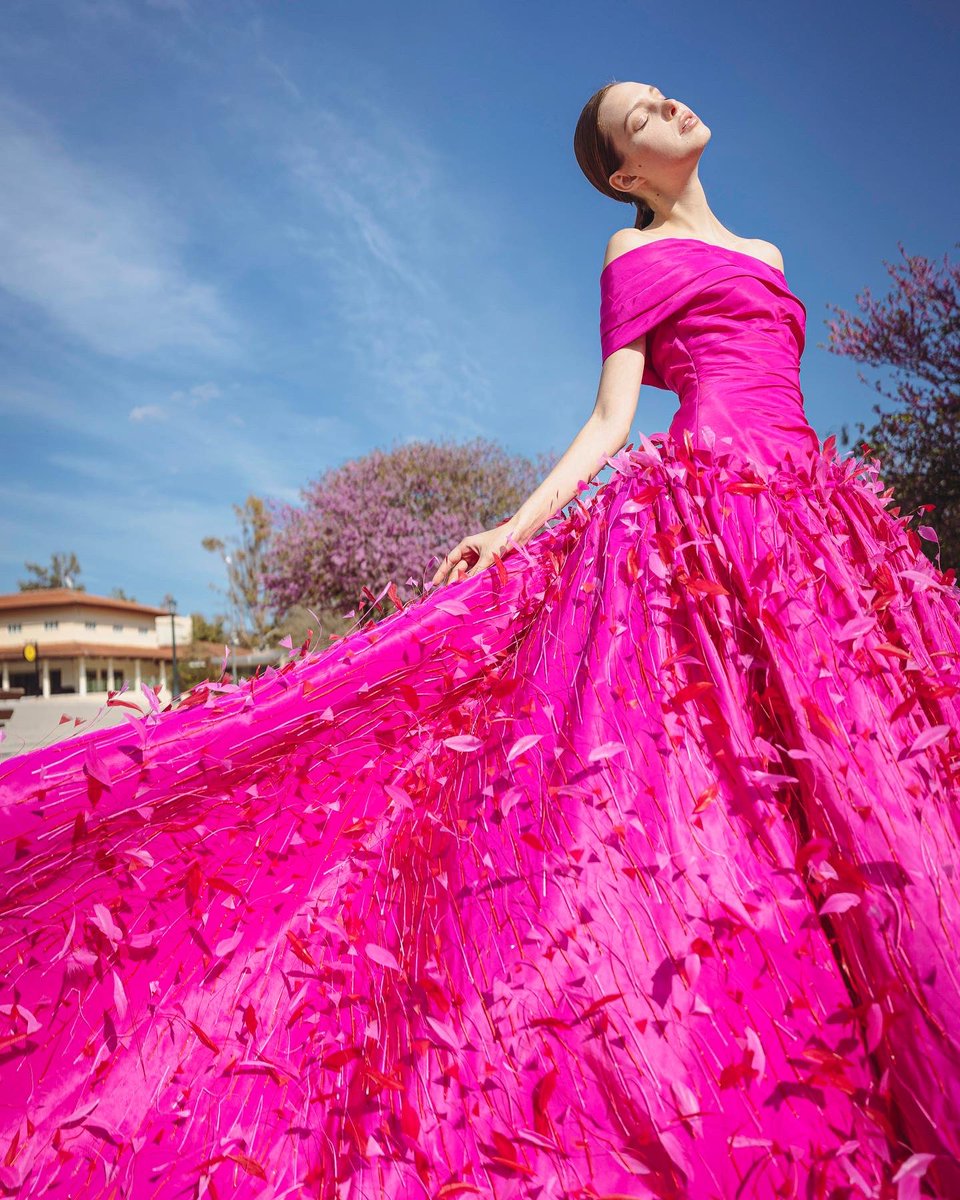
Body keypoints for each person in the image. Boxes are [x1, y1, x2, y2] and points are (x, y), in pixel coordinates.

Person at [1, 79, 959, 1200]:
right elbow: (613, 419)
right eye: (639, 112)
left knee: (867, 761)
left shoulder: (771, 251)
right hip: (712, 510)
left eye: (659, 92)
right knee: (717, 787)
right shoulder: (628, 249)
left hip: (814, 516)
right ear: (624, 172)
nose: (668, 104)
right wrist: (510, 527)